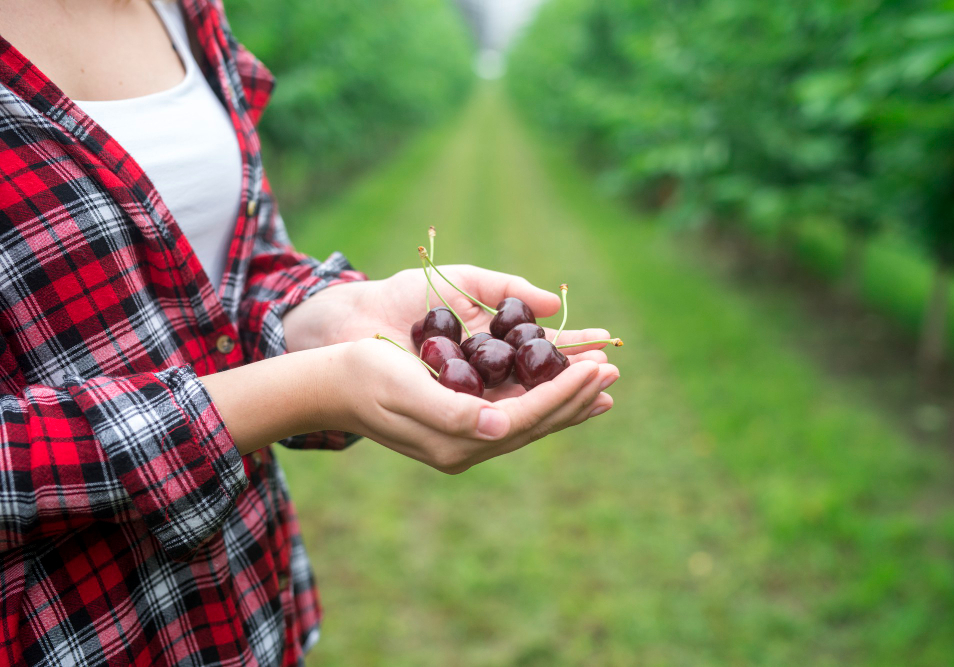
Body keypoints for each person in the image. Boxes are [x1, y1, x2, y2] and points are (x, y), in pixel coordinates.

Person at [0, 0, 619, 664]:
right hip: (72, 629)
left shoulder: (185, 10)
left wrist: (332, 317)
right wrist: (308, 391)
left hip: (236, 605)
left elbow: (235, 267)